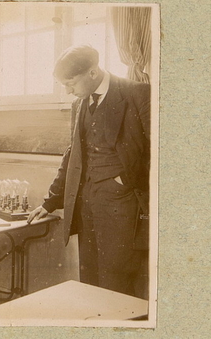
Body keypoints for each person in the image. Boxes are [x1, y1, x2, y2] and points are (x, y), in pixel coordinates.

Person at [27, 46, 151, 299]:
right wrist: (51, 202)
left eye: (70, 83)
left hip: (122, 205)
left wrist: (124, 180)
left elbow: (160, 151)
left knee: (117, 281)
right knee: (90, 277)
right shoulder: (79, 104)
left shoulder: (138, 94)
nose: (68, 90)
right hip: (87, 204)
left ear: (92, 72)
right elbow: (73, 155)